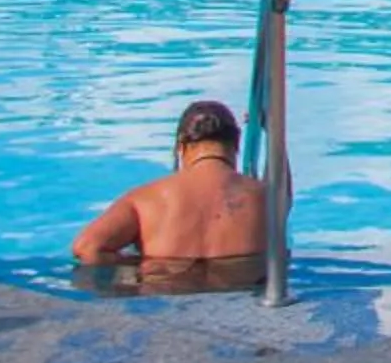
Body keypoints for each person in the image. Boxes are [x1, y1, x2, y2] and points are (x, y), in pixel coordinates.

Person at [71, 99, 269, 267]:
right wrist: (272, 131)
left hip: (166, 301)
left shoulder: (144, 199)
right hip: (240, 302)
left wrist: (141, 268)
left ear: (181, 146)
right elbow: (283, 188)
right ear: (236, 144)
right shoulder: (267, 197)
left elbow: (87, 248)